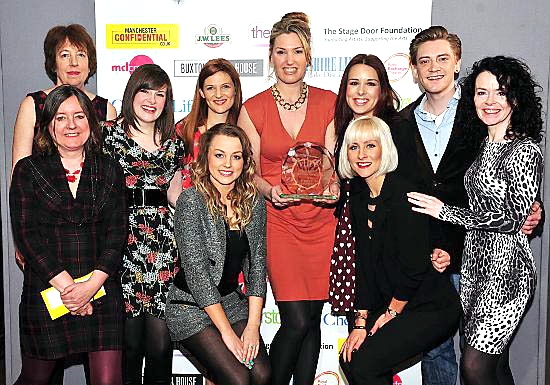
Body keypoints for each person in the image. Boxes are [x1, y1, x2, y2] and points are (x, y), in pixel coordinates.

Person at [398, 26, 542, 385]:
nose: (490, 100)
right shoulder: (407, 122)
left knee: (474, 366)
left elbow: (516, 211)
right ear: (414, 69)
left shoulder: (509, 139)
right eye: (425, 60)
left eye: (442, 58)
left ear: (457, 63)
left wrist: (444, 211)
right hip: (468, 266)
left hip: (505, 272)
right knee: (490, 366)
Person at [237, 11, 338, 385]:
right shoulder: (254, 107)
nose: (289, 60)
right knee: (295, 319)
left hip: (322, 223)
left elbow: (331, 162)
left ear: (308, 56)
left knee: (312, 320)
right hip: (278, 222)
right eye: (281, 52)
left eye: (297, 51)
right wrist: (270, 190)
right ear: (271, 56)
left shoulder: (330, 102)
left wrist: (332, 188)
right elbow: (250, 170)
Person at [9, 85, 127, 385]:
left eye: (78, 116)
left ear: (91, 121)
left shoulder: (111, 170)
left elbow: (117, 234)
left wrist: (90, 286)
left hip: (101, 292)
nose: (71, 125)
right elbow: (26, 236)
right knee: (36, 378)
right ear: (48, 125)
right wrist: (70, 290)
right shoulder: (28, 170)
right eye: (61, 118)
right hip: (47, 290)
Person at [338, 116, 460, 385]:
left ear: (385, 148)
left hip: (429, 304)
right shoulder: (357, 196)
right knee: (351, 358)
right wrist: (360, 324)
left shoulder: (404, 194)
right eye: (354, 147)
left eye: (370, 146)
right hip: (393, 297)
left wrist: (390, 314)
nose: (361, 155)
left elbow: (415, 268)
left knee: (367, 363)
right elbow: (364, 266)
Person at [329, 54, 448, 320]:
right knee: (360, 333)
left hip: (399, 251)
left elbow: (422, 189)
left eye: (370, 84)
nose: (361, 91)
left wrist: (440, 243)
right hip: (358, 242)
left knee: (401, 336)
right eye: (353, 83)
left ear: (382, 89)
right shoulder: (342, 129)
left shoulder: (399, 129)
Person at [166, 123, 270, 385]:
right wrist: (228, 335)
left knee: (262, 374)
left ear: (245, 161)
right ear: (206, 158)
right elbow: (198, 276)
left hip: (231, 303)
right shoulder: (191, 201)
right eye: (219, 154)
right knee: (238, 379)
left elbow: (257, 265)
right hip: (190, 307)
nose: (228, 164)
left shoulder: (253, 200)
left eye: (236, 156)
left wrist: (252, 327)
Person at [101, 63, 184, 385]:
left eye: (160, 94)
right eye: (144, 91)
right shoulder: (108, 134)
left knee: (161, 346)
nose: (151, 99)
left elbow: (177, 196)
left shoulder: (175, 143)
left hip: (165, 246)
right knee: (130, 345)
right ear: (131, 93)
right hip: (123, 246)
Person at [12, 23, 117, 169]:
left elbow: (112, 171)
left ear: (90, 63)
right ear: (53, 64)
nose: (73, 63)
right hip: (40, 191)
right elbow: (19, 171)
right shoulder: (33, 105)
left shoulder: (106, 109)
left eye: (80, 54)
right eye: (65, 55)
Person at [176, 58, 242, 189]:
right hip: (191, 208)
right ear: (202, 93)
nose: (218, 94)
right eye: (211, 88)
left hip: (235, 207)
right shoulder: (183, 131)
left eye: (225, 87)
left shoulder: (246, 131)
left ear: (235, 89)